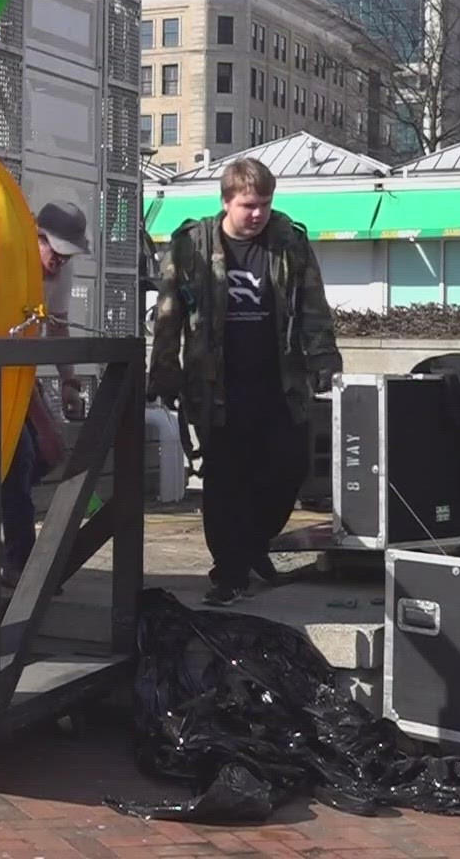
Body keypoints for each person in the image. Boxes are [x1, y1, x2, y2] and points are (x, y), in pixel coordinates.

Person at [148, 158, 342, 607]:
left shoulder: (288, 242)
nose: (258, 214)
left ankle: (253, 545)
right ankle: (230, 572)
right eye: (249, 205)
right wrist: (163, 374)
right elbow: (168, 316)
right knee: (225, 482)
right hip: (216, 387)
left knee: (288, 472)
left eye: (265, 204)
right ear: (226, 201)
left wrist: (325, 363)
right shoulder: (191, 245)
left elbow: (314, 303)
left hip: (281, 383)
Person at [0, 201, 90, 586]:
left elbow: (58, 326)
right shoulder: (8, 268)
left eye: (69, 256)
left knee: (47, 454)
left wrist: (68, 380)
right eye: (55, 251)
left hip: (22, 374)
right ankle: (20, 562)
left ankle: (8, 529)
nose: (61, 262)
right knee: (18, 462)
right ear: (36, 238)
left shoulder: (58, 276)